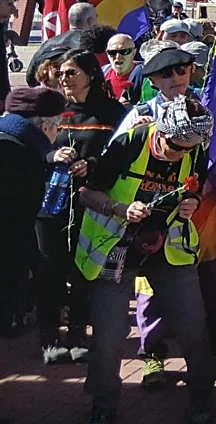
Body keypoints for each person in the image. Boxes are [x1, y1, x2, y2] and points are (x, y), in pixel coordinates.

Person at [75, 95, 215, 424]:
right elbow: (86, 194)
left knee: (193, 326)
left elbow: (197, 186)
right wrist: (120, 209)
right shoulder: (131, 142)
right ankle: (103, 404)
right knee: (109, 335)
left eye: (186, 148)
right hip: (116, 246)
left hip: (167, 246)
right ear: (160, 131)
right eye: (173, 146)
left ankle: (201, 401)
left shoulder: (193, 146)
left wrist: (192, 201)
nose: (179, 153)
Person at [35, 50, 126, 364]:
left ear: (90, 74)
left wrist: (91, 164)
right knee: (51, 270)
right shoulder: (50, 109)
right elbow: (35, 149)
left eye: (71, 72)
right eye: (61, 73)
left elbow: (121, 157)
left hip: (93, 202)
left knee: (84, 268)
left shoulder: (112, 113)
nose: (64, 78)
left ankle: (77, 333)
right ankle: (49, 338)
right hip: (52, 204)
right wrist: (52, 157)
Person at [0, 87, 66, 338]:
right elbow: (16, 222)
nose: (57, 131)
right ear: (44, 125)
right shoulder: (20, 154)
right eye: (57, 124)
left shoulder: (10, 140)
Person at [103, 32, 144, 104]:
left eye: (124, 51)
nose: (118, 57)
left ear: (133, 53)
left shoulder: (144, 75)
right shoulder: (103, 72)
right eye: (112, 52)